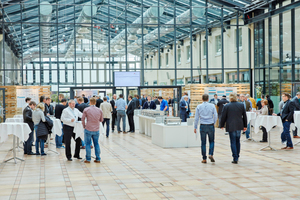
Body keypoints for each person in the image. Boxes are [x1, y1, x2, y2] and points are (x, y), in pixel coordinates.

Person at [220, 93, 247, 164]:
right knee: (237, 141)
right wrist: (245, 126)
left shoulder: (227, 106)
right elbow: (244, 116)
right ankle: (237, 155)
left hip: (231, 125)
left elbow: (223, 116)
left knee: (233, 141)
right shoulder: (241, 105)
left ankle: (235, 157)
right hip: (239, 125)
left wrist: (221, 125)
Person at [194, 94, 218, 164]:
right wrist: (213, 122)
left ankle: (204, 158)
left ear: (202, 99)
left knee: (203, 142)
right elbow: (215, 115)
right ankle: (210, 154)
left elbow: (196, 118)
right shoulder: (212, 105)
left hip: (203, 125)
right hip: (210, 125)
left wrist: (195, 127)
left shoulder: (199, 106)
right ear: (208, 99)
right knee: (211, 141)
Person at [82, 97, 103, 163]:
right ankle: (98, 158)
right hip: (96, 129)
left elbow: (82, 119)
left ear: (90, 102)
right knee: (96, 144)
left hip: (88, 128)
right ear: (95, 102)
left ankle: (88, 159)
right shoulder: (99, 110)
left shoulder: (86, 109)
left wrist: (84, 126)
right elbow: (101, 120)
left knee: (88, 144)